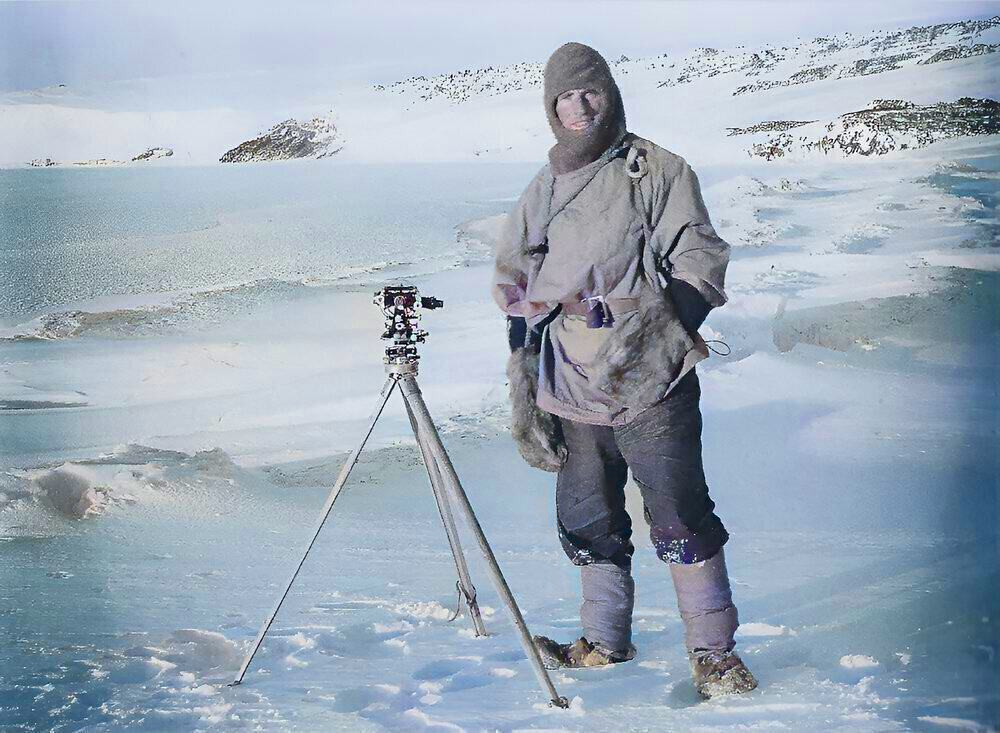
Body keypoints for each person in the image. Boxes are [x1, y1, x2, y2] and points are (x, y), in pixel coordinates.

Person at [491, 42, 757, 699]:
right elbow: (515, 276)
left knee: (679, 513)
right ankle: (605, 641)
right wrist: (523, 354)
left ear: (610, 94)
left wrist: (664, 331)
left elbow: (699, 255)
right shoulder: (545, 185)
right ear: (550, 108)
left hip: (650, 374)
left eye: (591, 93)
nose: (580, 107)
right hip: (569, 377)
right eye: (565, 97)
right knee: (587, 515)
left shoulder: (658, 171)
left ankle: (715, 655)